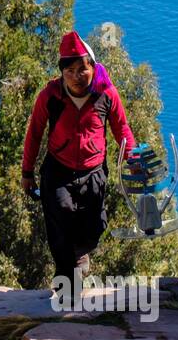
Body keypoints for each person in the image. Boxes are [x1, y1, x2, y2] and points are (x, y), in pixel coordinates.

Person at [21, 30, 137, 308]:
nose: (77, 75)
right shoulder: (50, 95)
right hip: (58, 172)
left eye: (83, 68)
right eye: (70, 70)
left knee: (95, 227)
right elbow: (35, 132)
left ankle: (81, 254)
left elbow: (122, 129)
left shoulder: (106, 93)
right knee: (60, 223)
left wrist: (131, 159)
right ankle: (67, 290)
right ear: (62, 72)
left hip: (93, 171)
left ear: (92, 68)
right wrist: (27, 172)